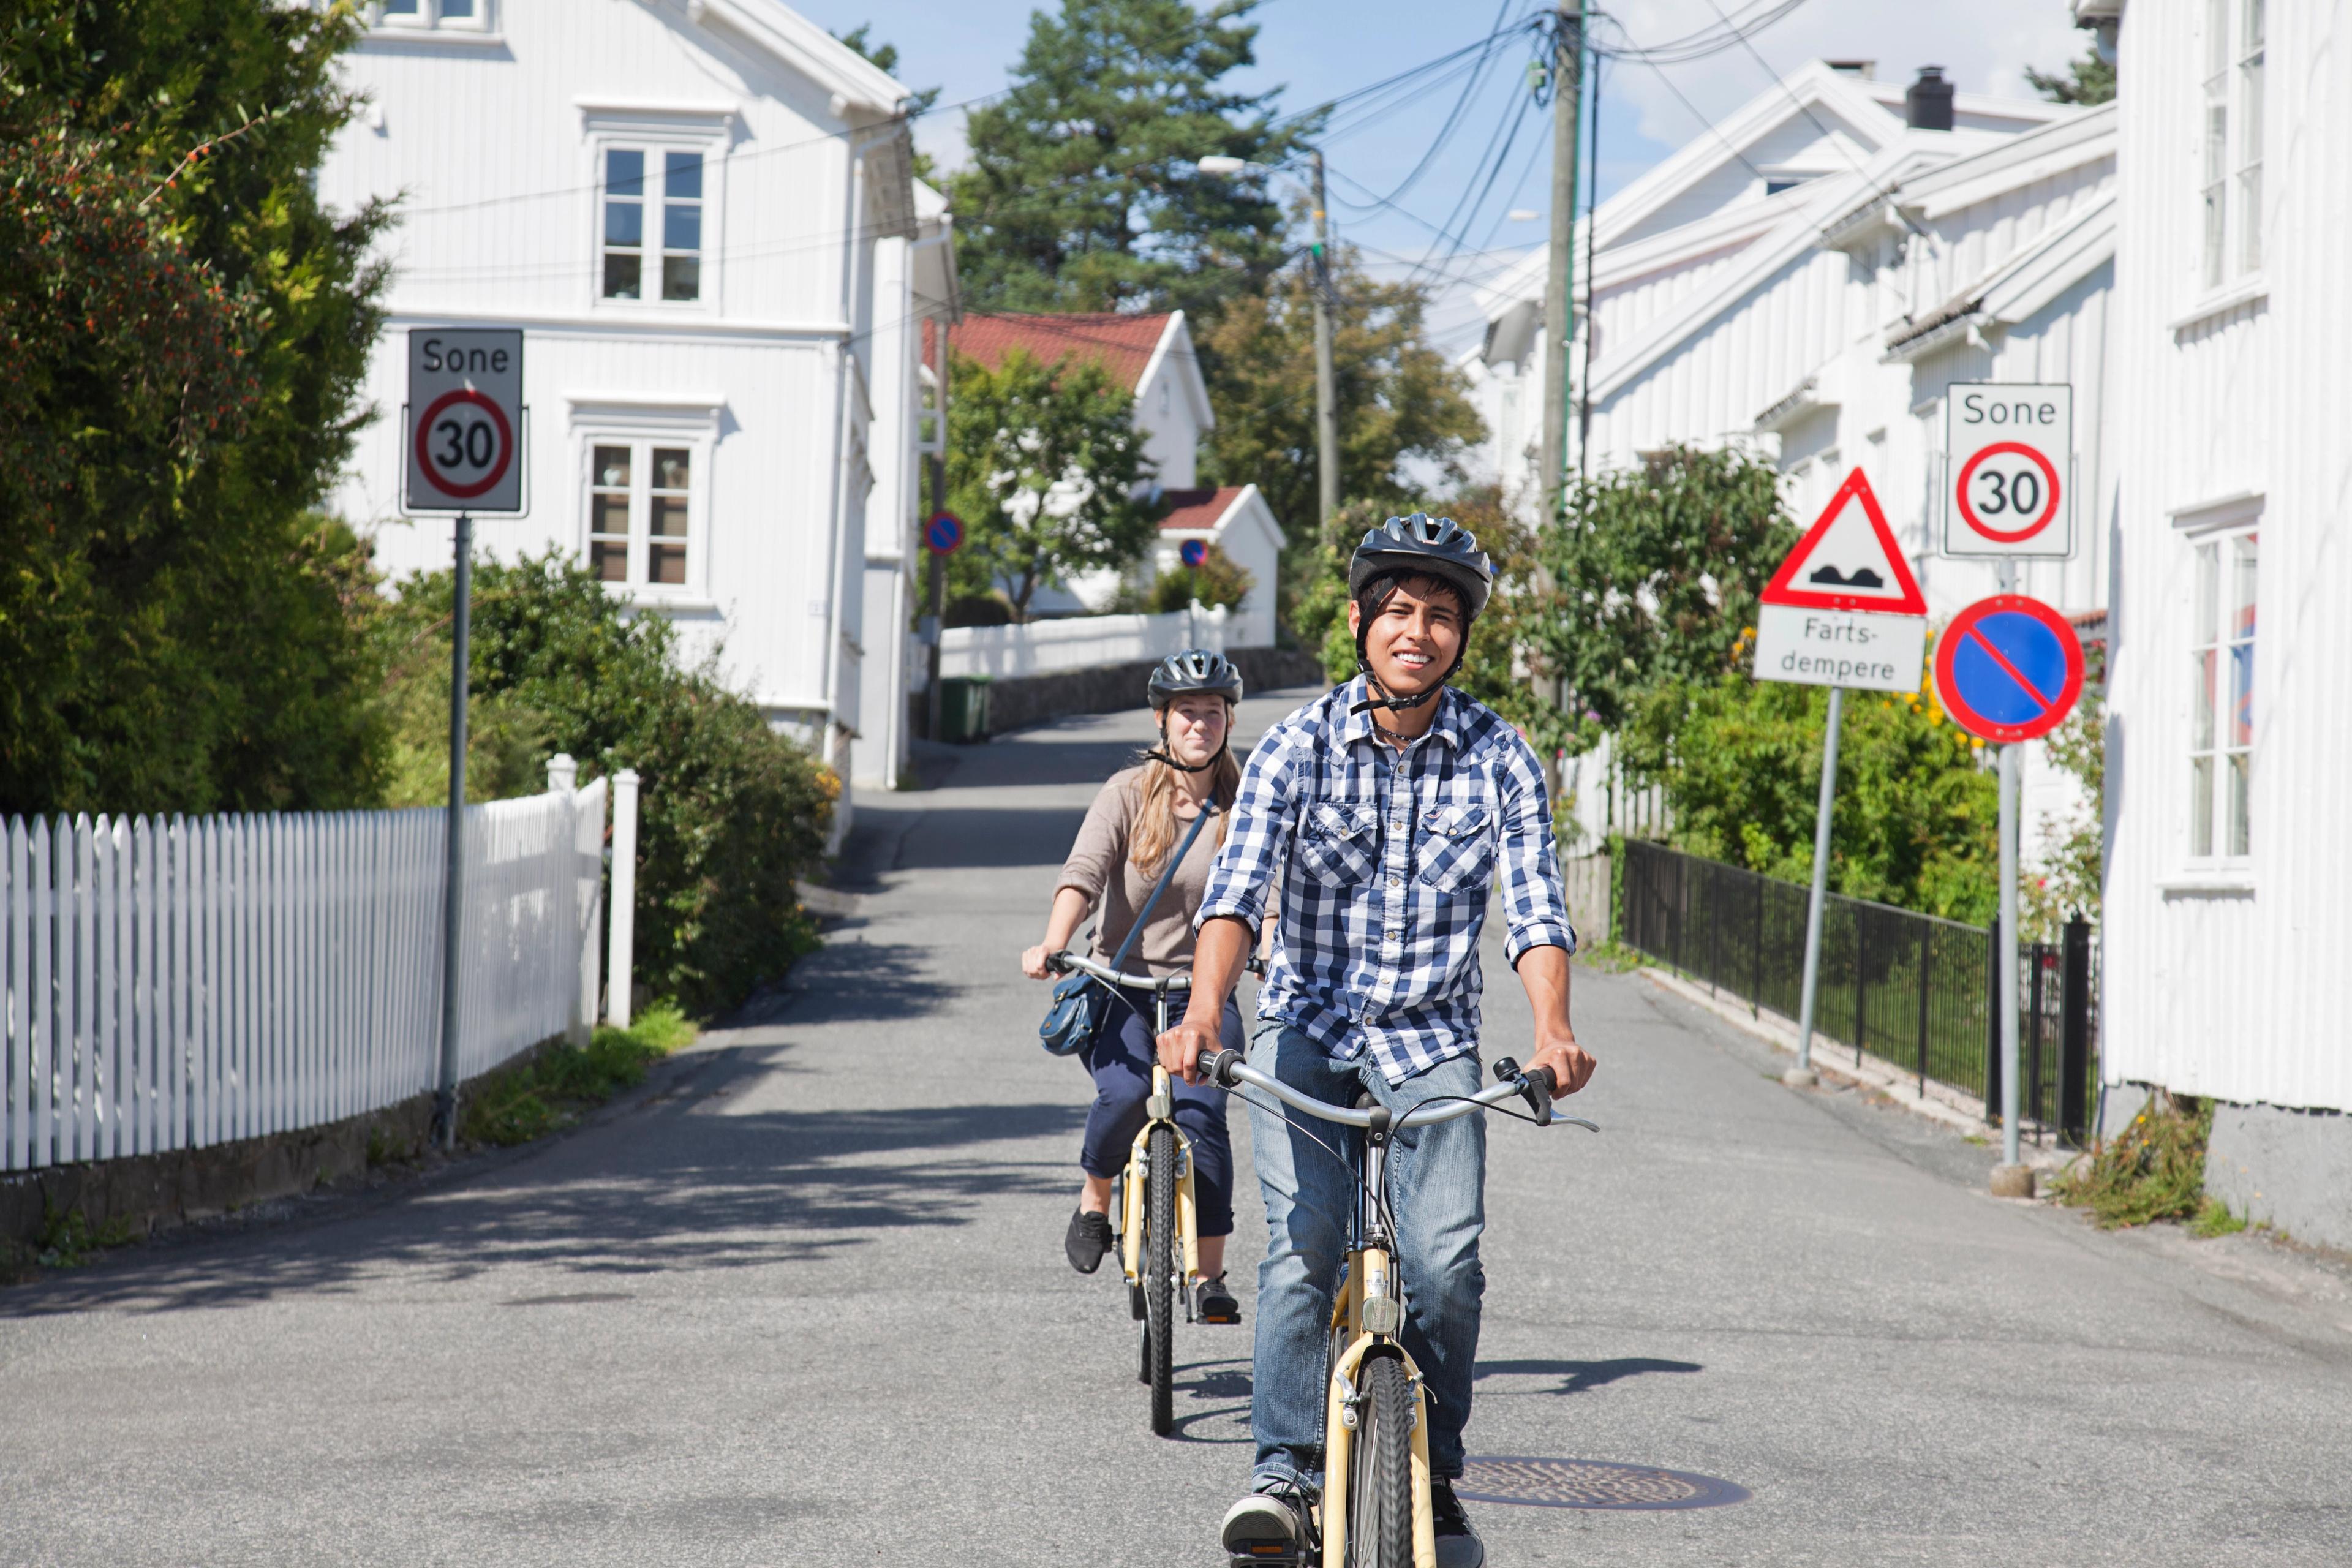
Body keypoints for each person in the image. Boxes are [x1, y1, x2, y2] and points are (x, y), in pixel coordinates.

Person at [1155, 514, 1598, 1568]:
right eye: (1399, 610)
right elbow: (1236, 893)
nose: (1418, 631)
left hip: (1432, 1040)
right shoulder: (1296, 747)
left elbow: (1535, 907)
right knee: (1304, 1253)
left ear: (1462, 637)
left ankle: (1433, 1477)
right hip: (1305, 1029)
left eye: (1441, 615)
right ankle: (1284, 1472)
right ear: (1360, 622)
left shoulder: (1500, 757)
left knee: (1446, 1265)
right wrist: (1206, 1011)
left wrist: (1553, 1028)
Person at [1022, 649, 1251, 1325]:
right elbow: (1084, 873)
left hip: (1203, 992)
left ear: (1229, 720)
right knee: (1124, 1094)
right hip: (1122, 984)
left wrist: (1271, 949)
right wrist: (1055, 941)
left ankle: (1209, 1275)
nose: (1200, 724)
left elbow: (1262, 897)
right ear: (1162, 720)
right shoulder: (1127, 793)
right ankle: (1096, 1199)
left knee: (1202, 1114)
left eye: (1213, 712)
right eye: (1187, 712)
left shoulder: (1244, 804)